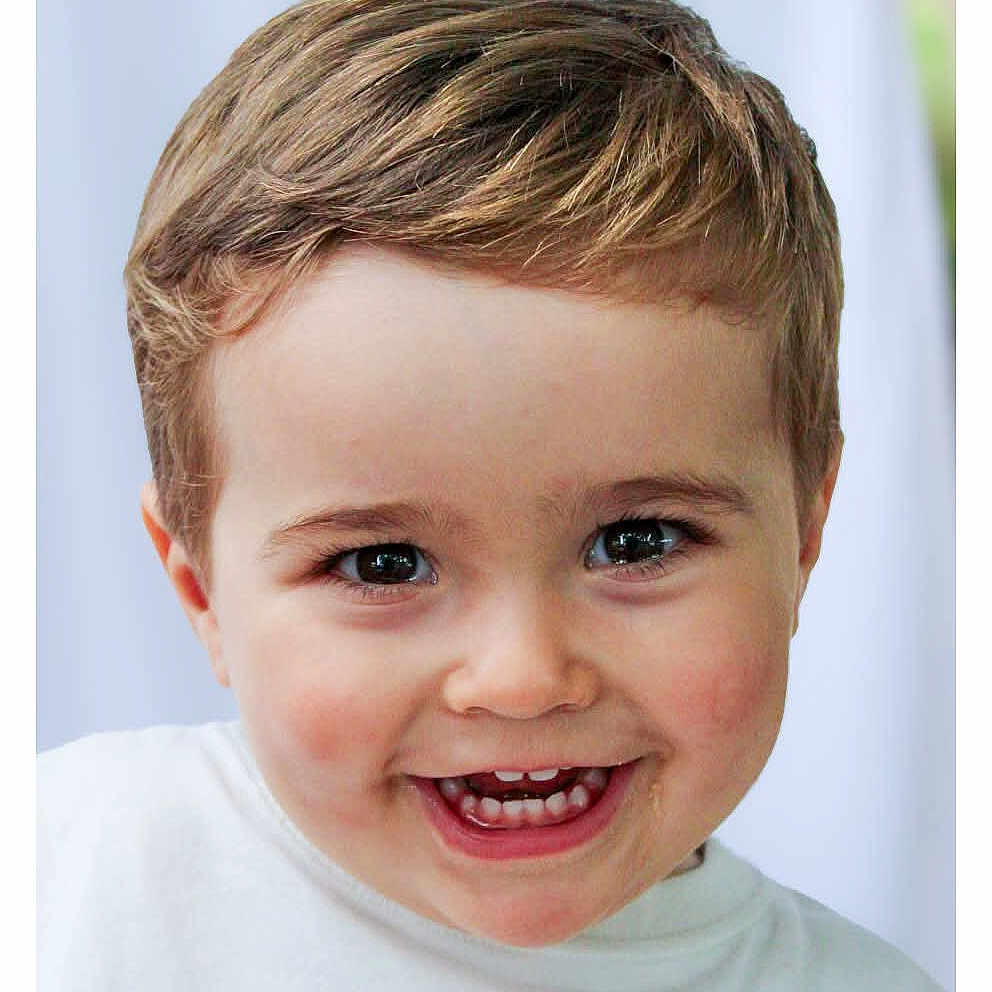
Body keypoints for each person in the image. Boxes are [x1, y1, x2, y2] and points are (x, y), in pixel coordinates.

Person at [37, 1, 944, 988]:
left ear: (804, 530)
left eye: (636, 541)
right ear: (201, 589)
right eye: (382, 563)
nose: (520, 677)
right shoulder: (65, 877)